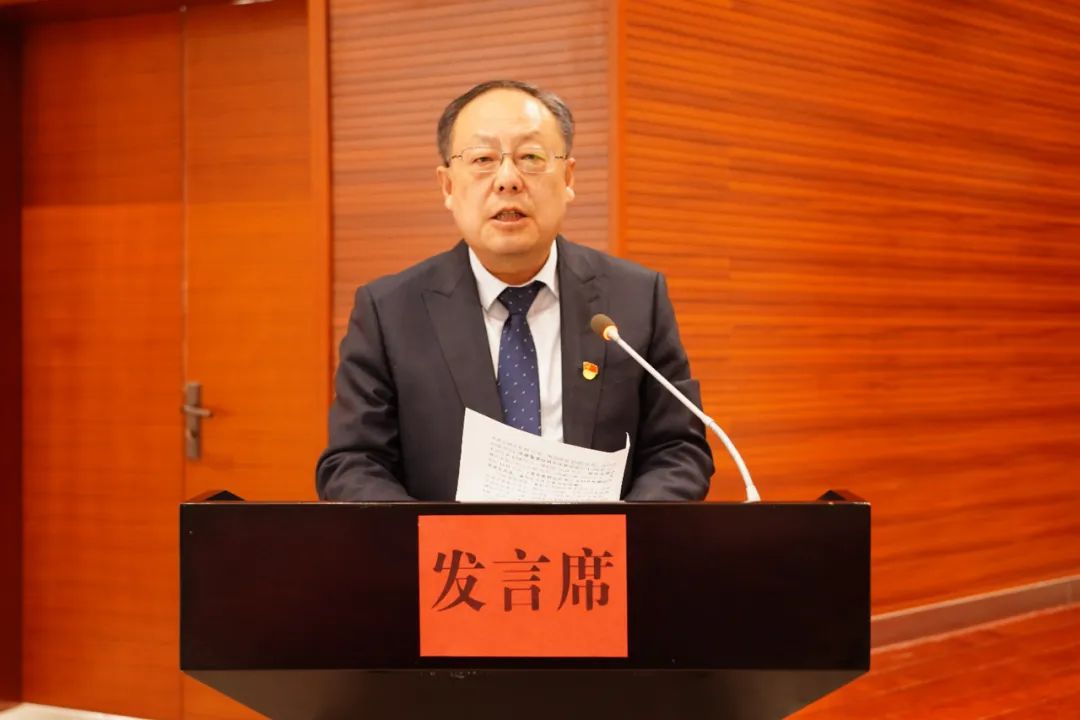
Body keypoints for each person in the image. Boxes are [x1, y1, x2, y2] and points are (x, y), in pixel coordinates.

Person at [316, 80, 713, 501]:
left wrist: (621, 530)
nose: (508, 180)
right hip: (449, 545)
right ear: (448, 186)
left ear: (568, 177)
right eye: (483, 159)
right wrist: (431, 534)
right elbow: (354, 463)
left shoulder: (636, 298)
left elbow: (679, 449)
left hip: (600, 544)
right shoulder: (389, 313)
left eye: (531, 157)